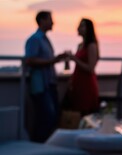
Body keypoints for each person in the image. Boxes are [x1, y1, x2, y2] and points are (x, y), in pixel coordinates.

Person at [25, 10, 66, 142]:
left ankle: (43, 146)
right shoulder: (35, 39)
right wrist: (53, 61)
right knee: (47, 116)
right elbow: (30, 60)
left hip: (49, 84)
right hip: (40, 86)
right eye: (50, 19)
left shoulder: (44, 39)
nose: (52, 22)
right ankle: (37, 146)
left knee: (52, 117)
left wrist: (55, 59)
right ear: (42, 21)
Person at [64, 18, 99, 116]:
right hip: (78, 83)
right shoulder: (80, 45)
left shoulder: (91, 45)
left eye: (82, 25)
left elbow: (91, 68)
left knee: (86, 113)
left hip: (86, 85)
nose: (79, 28)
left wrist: (74, 59)